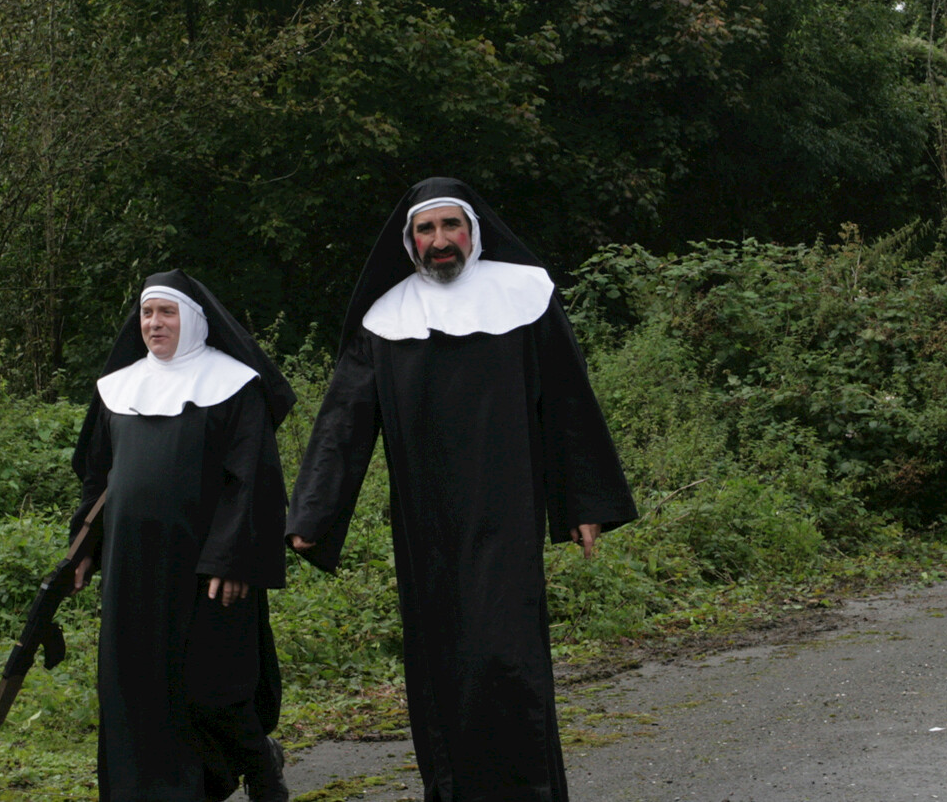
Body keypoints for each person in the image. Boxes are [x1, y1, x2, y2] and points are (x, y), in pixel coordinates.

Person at [286, 177, 638, 802]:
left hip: (508, 509)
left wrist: (583, 500)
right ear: (410, 240)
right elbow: (345, 420)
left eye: (451, 225)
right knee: (439, 660)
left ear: (473, 232)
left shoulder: (524, 296)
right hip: (426, 523)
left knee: (506, 653)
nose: (440, 239)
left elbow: (565, 400)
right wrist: (313, 512)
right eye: (426, 229)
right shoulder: (386, 317)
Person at [71, 269, 296, 802]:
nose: (154, 323)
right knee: (134, 688)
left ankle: (261, 766)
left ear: (193, 320)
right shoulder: (117, 389)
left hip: (207, 567)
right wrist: (82, 549)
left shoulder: (234, 385)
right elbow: (96, 479)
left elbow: (252, 479)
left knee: (214, 688)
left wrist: (234, 558)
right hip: (131, 568)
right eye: (147, 313)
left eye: (166, 312)